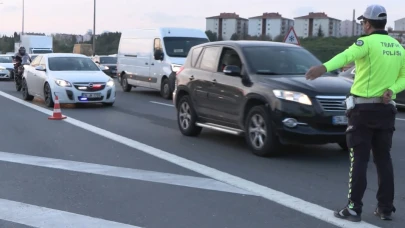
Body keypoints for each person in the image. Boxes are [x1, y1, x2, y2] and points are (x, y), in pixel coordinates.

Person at [305, 4, 405, 222]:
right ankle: (385, 208)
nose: (363, 26)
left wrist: (322, 68)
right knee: (383, 159)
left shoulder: (366, 43)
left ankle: (353, 208)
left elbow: (345, 55)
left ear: (367, 23)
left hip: (363, 110)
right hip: (387, 110)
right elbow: (404, 76)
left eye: (363, 22)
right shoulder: (398, 46)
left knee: (358, 159)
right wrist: (393, 90)